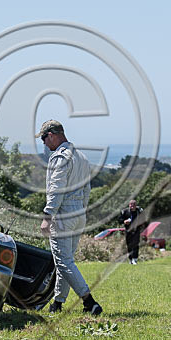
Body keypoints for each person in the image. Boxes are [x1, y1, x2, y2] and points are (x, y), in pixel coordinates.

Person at [37, 120, 103, 316]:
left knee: (63, 261)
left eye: (43, 139)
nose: (44, 145)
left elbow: (56, 190)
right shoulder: (81, 156)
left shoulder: (60, 157)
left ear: (51, 135)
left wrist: (47, 216)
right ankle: (57, 303)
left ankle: (89, 302)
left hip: (63, 213)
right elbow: (86, 189)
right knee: (66, 261)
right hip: (78, 213)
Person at [120, 199, 145, 264]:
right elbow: (120, 220)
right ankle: (130, 259)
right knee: (129, 245)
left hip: (136, 229)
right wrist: (124, 221)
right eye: (131, 204)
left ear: (136, 205)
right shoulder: (125, 211)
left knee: (136, 244)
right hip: (128, 230)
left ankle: (135, 259)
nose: (132, 206)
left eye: (134, 204)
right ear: (129, 205)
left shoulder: (139, 211)